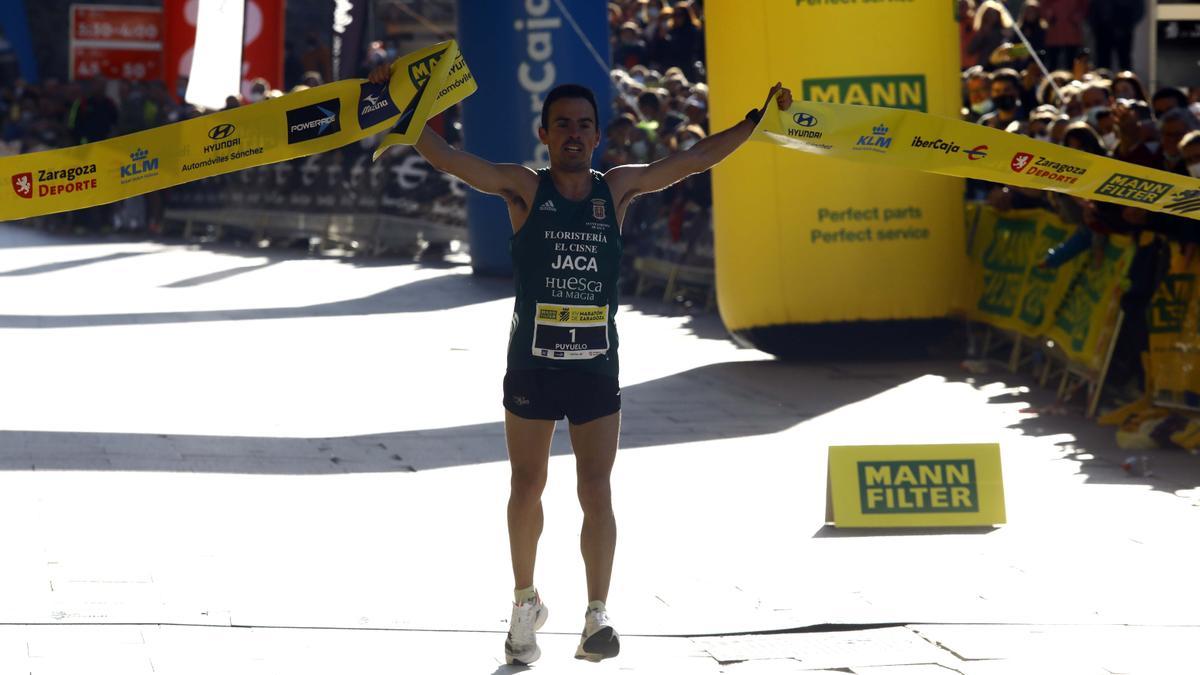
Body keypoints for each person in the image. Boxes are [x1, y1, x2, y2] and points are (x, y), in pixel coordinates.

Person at [368, 64, 791, 666]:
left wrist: (755, 122)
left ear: (598, 136)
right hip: (533, 364)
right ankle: (524, 605)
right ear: (544, 134)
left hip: (595, 366)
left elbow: (692, 160)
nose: (573, 134)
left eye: (584, 126)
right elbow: (452, 160)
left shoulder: (614, 189)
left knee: (596, 488)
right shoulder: (522, 186)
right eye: (562, 125)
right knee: (527, 484)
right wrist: (397, 107)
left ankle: (598, 614)